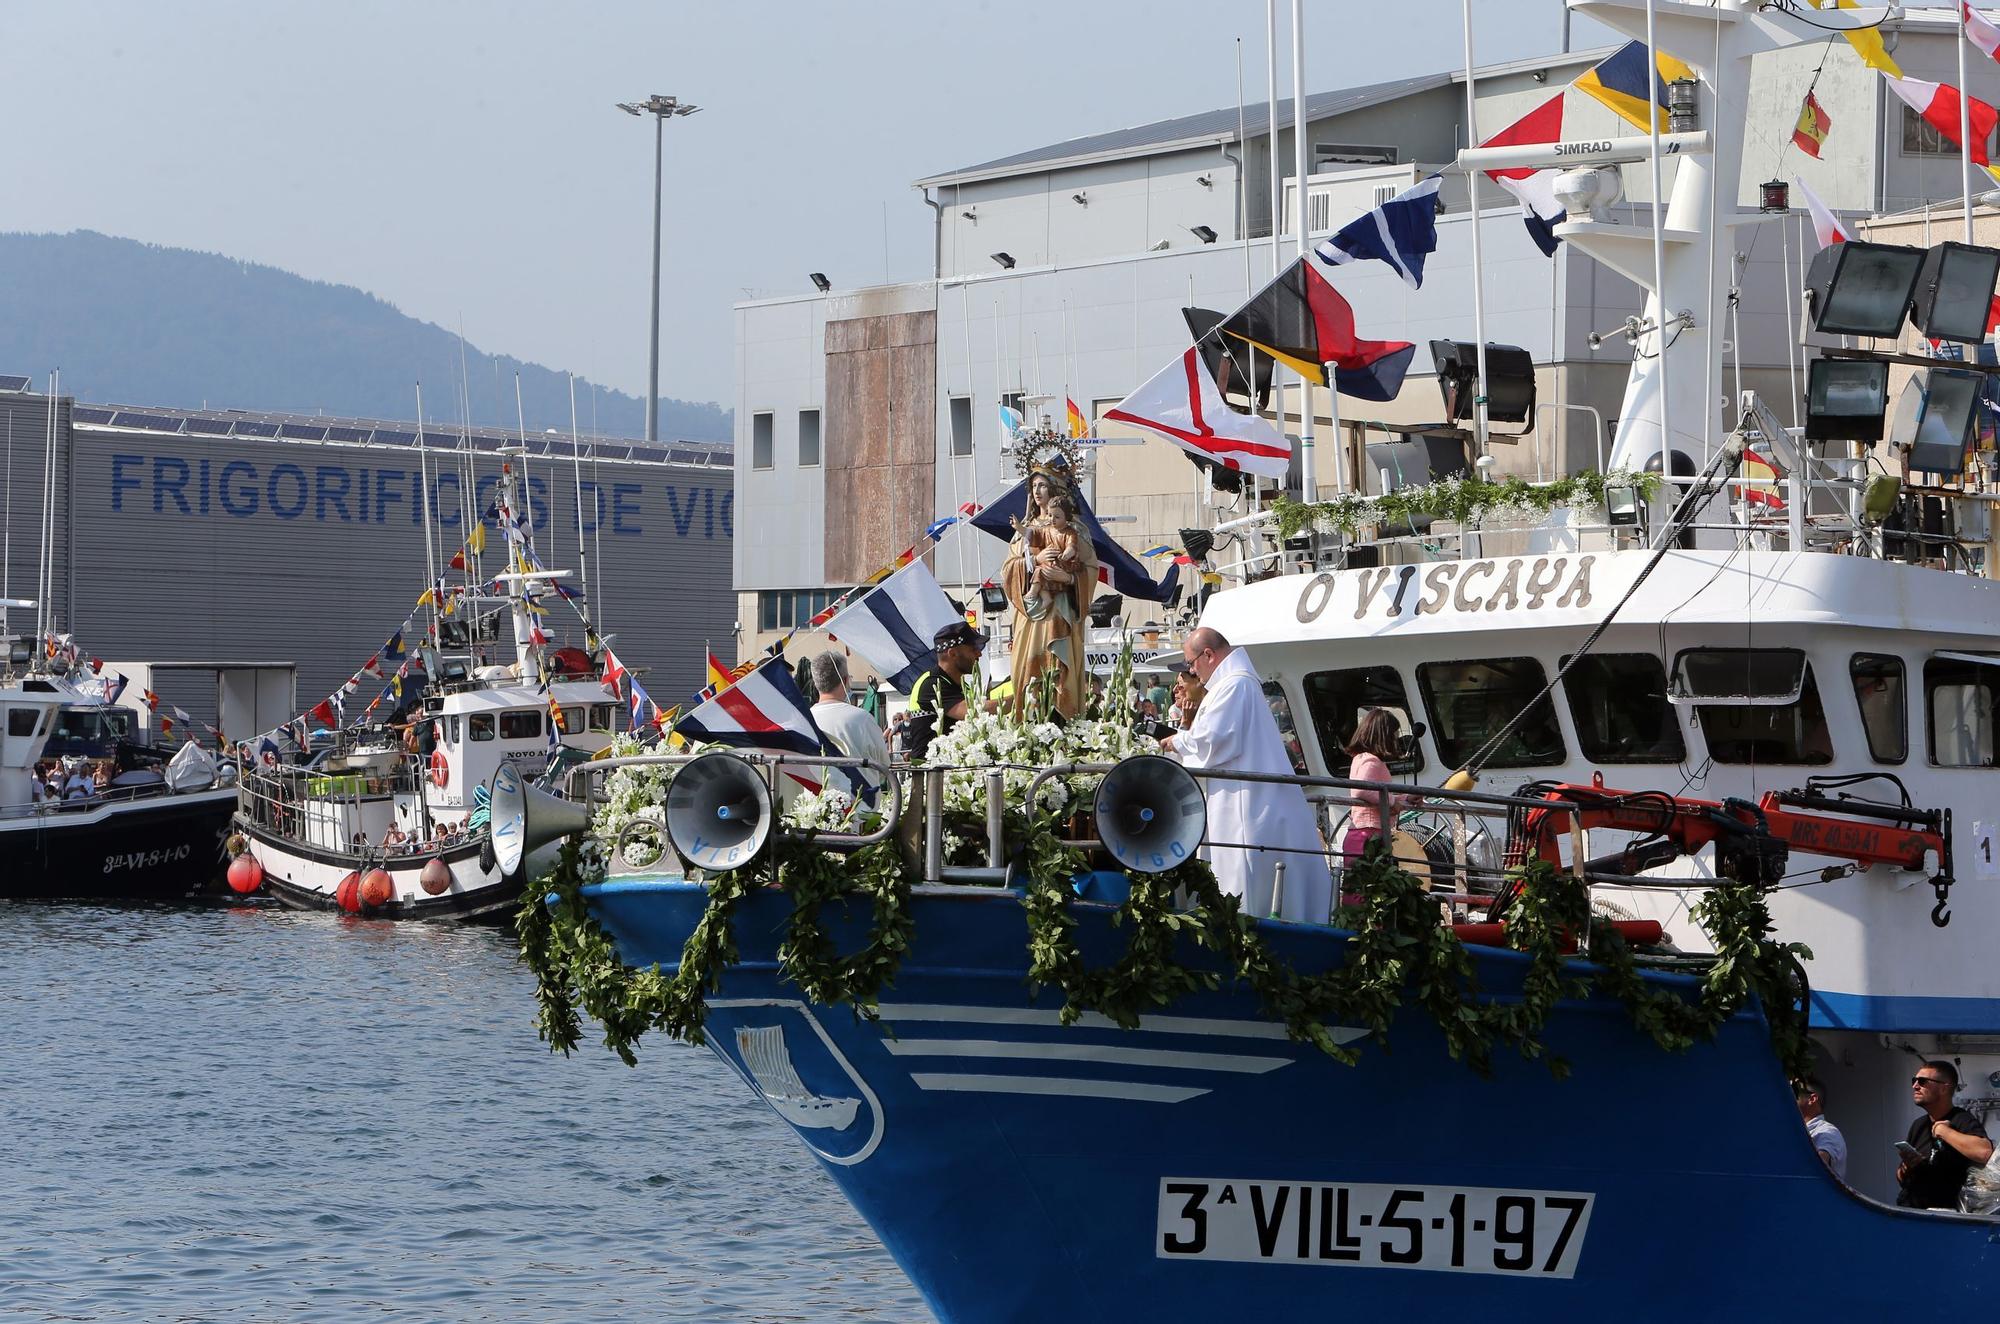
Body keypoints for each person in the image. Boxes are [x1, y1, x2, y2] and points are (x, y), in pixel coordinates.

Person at [1161, 628, 1332, 922]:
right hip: (1249, 799)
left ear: (1209, 655)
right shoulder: (1233, 684)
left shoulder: (1235, 686)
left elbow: (1216, 740)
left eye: (1191, 663)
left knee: (1251, 884)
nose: (1191, 670)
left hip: (1250, 805)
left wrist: (1177, 742)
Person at [1001, 466, 1098, 718]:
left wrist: (1067, 577)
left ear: (1056, 490)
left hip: (1062, 609)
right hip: (1032, 614)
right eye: (1033, 486)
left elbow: (1090, 568)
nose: (1037, 492)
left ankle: (1063, 715)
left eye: (1043, 485)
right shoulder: (1025, 530)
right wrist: (1034, 559)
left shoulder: (1076, 531)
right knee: (1028, 669)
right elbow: (1008, 570)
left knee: (1059, 668)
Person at [1897, 1060, 1993, 1209]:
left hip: (1943, 1218)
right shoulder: (1918, 1125)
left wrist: (1945, 1132)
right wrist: (1907, 1168)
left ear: (1943, 1088)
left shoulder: (1962, 1120)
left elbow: (1984, 1151)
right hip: (1910, 1212)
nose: (1915, 1086)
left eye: (1922, 1081)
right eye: (1914, 1081)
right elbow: (1900, 1176)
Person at [906, 622, 990, 763]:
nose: (979, 653)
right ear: (952, 653)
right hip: (932, 778)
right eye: (973, 648)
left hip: (957, 773)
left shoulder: (964, 687)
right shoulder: (932, 684)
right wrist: (1020, 699)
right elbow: (973, 712)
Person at [809, 651, 891, 794]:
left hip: (814, 809)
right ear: (846, 680)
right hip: (862, 810)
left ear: (816, 684)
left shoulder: (806, 719)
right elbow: (884, 766)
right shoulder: (863, 719)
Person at [1341, 708, 1412, 861]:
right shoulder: (1372, 761)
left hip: (1360, 834)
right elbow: (1361, 790)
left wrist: (1406, 797)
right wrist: (1393, 802)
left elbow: (1375, 793)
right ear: (1385, 735)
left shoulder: (1360, 758)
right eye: (1394, 733)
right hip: (1369, 835)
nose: (1397, 737)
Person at [1794, 1077, 1847, 1182]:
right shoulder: (1802, 1132)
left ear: (1812, 1099)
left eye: (1795, 1091)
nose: (1789, 1096)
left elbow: (1813, 1170)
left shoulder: (1828, 1131)